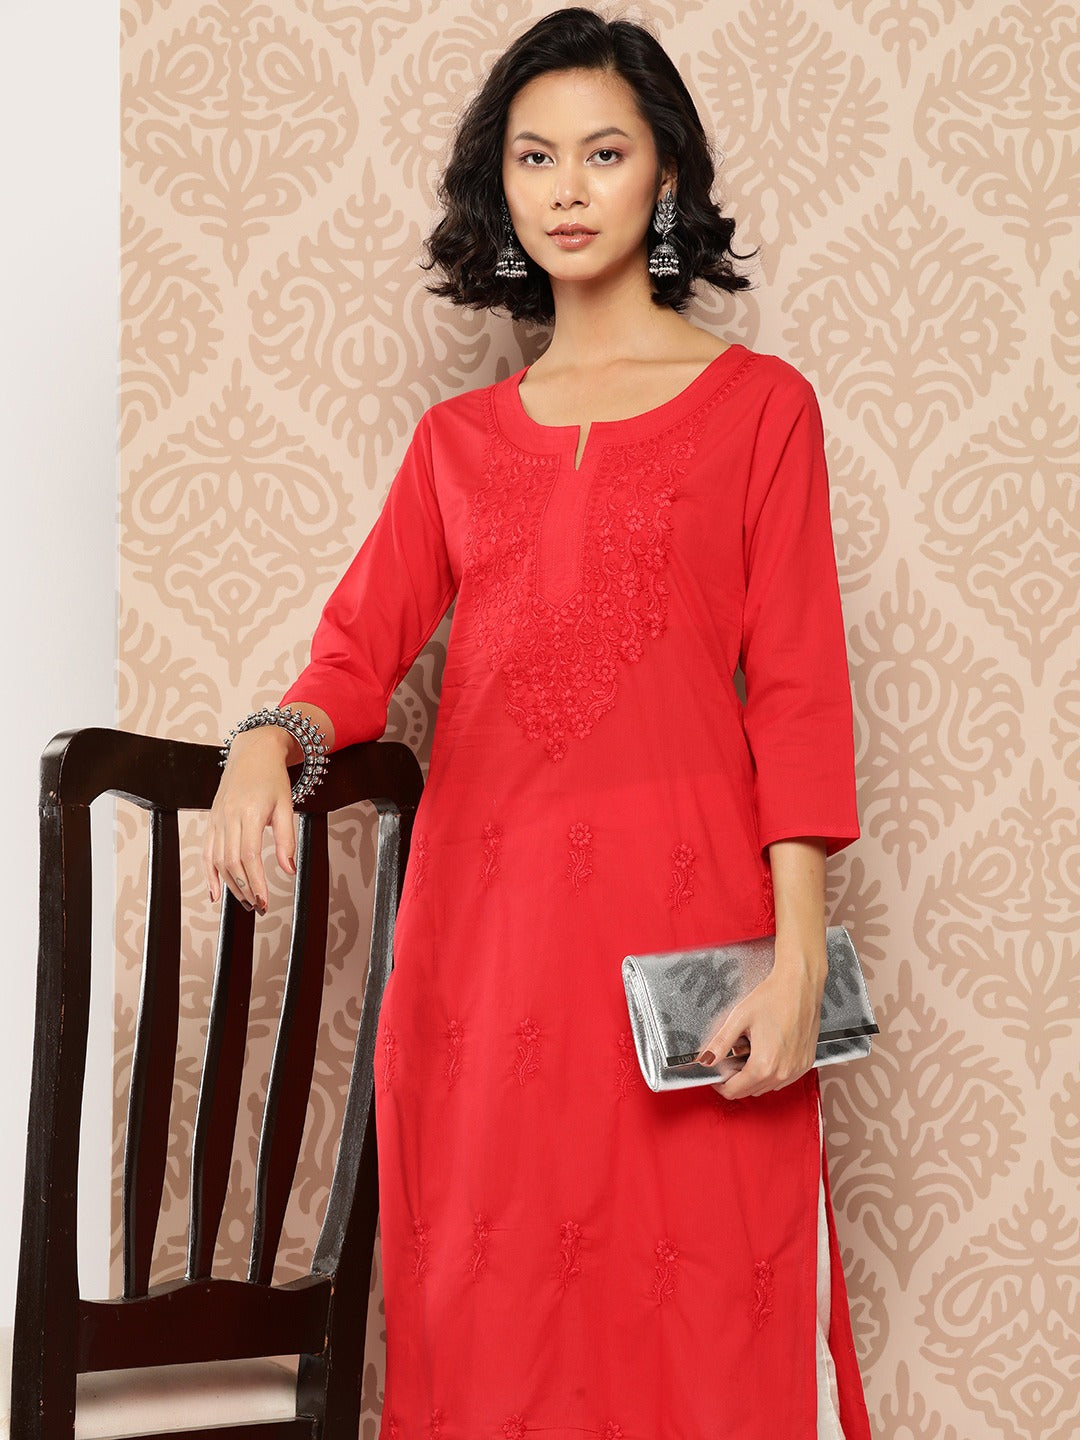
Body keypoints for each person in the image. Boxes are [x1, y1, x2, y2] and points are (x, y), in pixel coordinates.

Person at [203, 9, 871, 1439]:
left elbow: (802, 692)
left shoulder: (762, 411)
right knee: (494, 1329)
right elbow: (354, 654)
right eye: (535, 156)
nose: (568, 188)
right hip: (486, 954)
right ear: (497, 186)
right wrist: (269, 736)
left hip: (693, 939)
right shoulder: (456, 445)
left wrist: (802, 956)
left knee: (707, 1323)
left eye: (605, 153)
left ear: (666, 177)